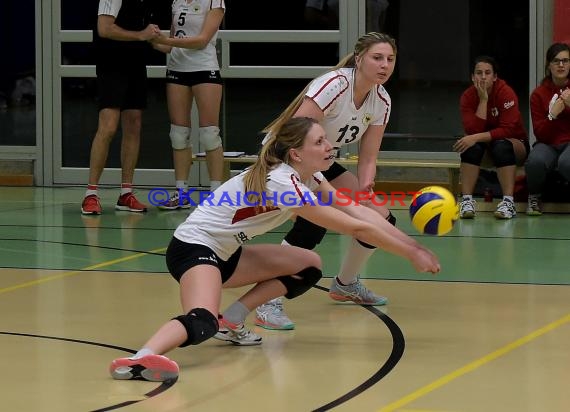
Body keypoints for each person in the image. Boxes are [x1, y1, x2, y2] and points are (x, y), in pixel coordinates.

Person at [108, 117, 441, 381]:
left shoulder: (309, 177)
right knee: (201, 322)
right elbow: (354, 226)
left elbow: (356, 210)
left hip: (228, 254)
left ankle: (234, 319)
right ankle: (138, 359)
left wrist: (414, 244)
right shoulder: (283, 183)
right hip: (194, 249)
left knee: (308, 266)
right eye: (320, 142)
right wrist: (410, 255)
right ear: (296, 153)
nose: (330, 146)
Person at [227, 32, 399, 332]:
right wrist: (305, 188)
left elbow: (368, 157)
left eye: (390, 59)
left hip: (319, 160)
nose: (385, 65)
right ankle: (268, 303)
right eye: (377, 57)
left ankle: (345, 284)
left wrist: (366, 188)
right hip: (285, 156)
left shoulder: (381, 99)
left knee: (380, 217)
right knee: (312, 223)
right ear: (359, 59)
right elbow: (295, 134)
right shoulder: (335, 85)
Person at [81, 0, 161, 215]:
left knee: (134, 124)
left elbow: (148, 33)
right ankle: (90, 194)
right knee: (108, 127)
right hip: (111, 65)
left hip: (135, 63)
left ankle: (126, 193)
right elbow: (104, 28)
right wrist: (140, 35)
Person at [150, 0, 226, 210]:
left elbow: (202, 40)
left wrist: (168, 40)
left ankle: (215, 194)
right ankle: (181, 192)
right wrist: (151, 38)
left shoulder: (214, 1)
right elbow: (170, 43)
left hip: (204, 69)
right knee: (178, 133)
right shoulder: (176, 2)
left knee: (210, 133)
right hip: (176, 69)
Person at [453, 55, 529, 220]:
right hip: (485, 149)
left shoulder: (505, 92)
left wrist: (474, 137)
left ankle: (508, 202)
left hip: (515, 145)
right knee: (471, 147)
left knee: (500, 145)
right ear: (473, 77)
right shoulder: (467, 97)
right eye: (479, 73)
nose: (483, 77)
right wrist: (483, 101)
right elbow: (473, 130)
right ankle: (467, 201)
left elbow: (508, 130)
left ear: (495, 77)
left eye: (488, 73)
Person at [525, 43, 570, 216]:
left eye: (565, 61)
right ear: (548, 66)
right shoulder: (538, 94)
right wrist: (552, 116)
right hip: (548, 143)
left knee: (567, 163)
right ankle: (534, 197)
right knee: (535, 161)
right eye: (556, 61)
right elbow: (540, 133)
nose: (561, 65)